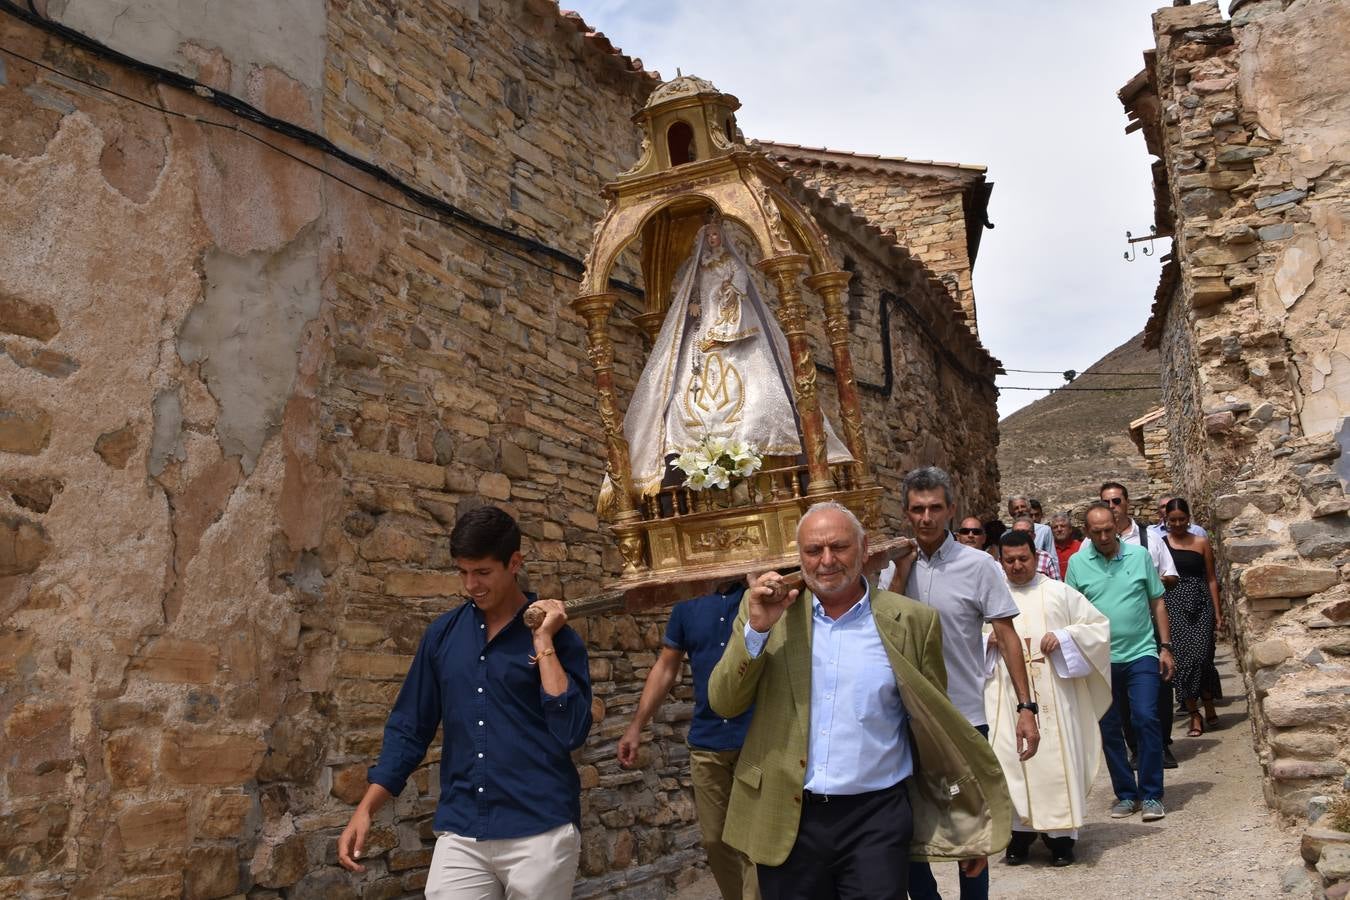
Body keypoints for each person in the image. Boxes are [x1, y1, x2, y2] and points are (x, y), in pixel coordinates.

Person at [709, 501, 1012, 900]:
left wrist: (964, 824)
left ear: (865, 548)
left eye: (839, 547)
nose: (827, 561)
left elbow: (933, 731)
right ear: (798, 556)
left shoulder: (913, 622)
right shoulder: (768, 617)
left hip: (877, 818)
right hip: (787, 814)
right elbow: (724, 702)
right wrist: (756, 632)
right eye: (813, 551)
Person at [337, 507, 592, 898]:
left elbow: (571, 730)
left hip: (540, 826)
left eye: (483, 572)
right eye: (463, 572)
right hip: (463, 827)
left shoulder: (561, 639)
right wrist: (367, 808)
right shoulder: (441, 637)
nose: (471, 584)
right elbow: (410, 726)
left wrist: (542, 642)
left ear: (515, 563)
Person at [599, 213, 852, 514]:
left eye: (717, 236)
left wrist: (733, 290)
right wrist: (694, 304)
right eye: (709, 237)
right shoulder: (700, 270)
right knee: (681, 403)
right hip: (703, 335)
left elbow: (741, 279)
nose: (714, 240)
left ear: (722, 238)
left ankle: (772, 490)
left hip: (736, 331)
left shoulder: (731, 263)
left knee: (762, 402)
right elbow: (692, 295)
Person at [901, 467, 1038, 900]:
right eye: (918, 509)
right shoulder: (890, 568)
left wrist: (1026, 708)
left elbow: (1007, 636)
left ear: (951, 510)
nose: (926, 517)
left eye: (935, 508)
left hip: (963, 718)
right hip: (901, 720)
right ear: (906, 512)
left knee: (970, 833)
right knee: (905, 833)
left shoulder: (979, 566)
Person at [618, 585, 759, 899]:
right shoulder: (687, 604)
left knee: (755, 843)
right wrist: (636, 727)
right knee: (714, 839)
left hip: (757, 738)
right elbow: (666, 668)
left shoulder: (759, 593)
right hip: (708, 740)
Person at [986, 531, 1111, 867]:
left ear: (1035, 556)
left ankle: (1060, 840)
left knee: (1056, 759)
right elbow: (968, 637)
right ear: (1001, 560)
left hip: (1054, 694)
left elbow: (1098, 627)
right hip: (1008, 695)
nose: (1016, 566)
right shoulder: (992, 599)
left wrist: (1066, 636)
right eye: (1009, 560)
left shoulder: (1058, 593)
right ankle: (1019, 835)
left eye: (1022, 558)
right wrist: (988, 641)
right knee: (1010, 760)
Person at [1066, 503, 1174, 823]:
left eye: (1107, 529)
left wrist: (1165, 647)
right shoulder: (1077, 564)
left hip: (1141, 652)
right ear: (1087, 532)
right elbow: (1070, 612)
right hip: (1099, 660)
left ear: (1117, 525)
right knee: (1110, 728)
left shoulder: (1139, 556)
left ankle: (1152, 793)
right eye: (1095, 531)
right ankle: (1126, 794)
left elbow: (1157, 602)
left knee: (1146, 718)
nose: (1103, 536)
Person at [1091, 481, 1179, 769]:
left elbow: (1170, 574)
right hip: (1110, 640)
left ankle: (1162, 744)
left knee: (1158, 690)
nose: (1112, 506)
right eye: (1107, 502)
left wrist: (1148, 582)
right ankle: (1136, 748)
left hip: (1147, 624)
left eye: (1117, 501)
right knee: (1122, 702)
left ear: (1126, 502)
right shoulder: (1089, 547)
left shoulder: (1149, 539)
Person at [1160, 498, 1223, 735]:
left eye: (1181, 519)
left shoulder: (1201, 542)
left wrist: (1217, 611)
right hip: (1174, 604)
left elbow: (1211, 578)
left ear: (1188, 519)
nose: (1177, 524)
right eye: (1172, 520)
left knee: (1203, 657)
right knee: (1184, 661)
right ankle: (1194, 712)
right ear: (1166, 519)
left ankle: (1208, 701)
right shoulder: (1161, 544)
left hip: (1201, 604)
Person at [1050, 513, 1081, 581]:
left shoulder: (1080, 547)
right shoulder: (1049, 550)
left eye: (1063, 526)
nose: (1059, 529)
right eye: (1055, 527)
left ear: (1070, 529)